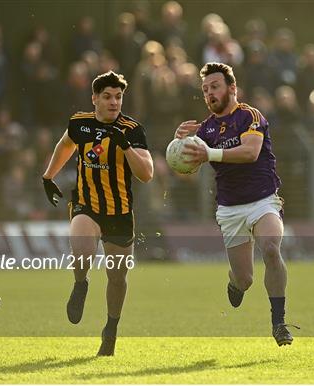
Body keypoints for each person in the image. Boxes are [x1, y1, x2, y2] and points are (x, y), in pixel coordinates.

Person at [174, 62, 298, 346]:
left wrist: (209, 153)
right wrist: (178, 145)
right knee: (245, 280)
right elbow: (185, 169)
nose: (209, 94)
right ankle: (235, 282)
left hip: (263, 200)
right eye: (205, 90)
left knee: (270, 248)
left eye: (215, 87)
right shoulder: (205, 129)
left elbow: (251, 152)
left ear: (232, 88)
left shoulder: (250, 116)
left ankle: (278, 322)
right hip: (230, 209)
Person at [42, 71, 153, 356]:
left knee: (117, 278)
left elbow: (147, 174)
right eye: (107, 96)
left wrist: (125, 145)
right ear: (95, 99)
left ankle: (110, 330)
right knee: (81, 251)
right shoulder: (80, 123)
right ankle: (80, 284)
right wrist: (48, 176)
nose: (114, 102)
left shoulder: (132, 129)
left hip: (119, 212)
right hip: (86, 204)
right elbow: (65, 144)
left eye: (118, 97)